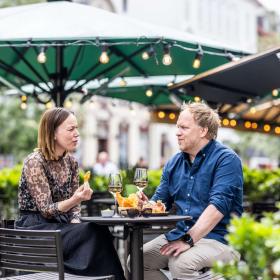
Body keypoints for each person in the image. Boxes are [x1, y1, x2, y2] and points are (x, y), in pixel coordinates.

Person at [15, 108, 125, 280]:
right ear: (52, 133)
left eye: (77, 128)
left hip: (61, 226)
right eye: (71, 129)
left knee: (97, 230)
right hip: (36, 227)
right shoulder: (34, 162)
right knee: (94, 232)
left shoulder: (71, 162)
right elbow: (46, 210)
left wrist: (75, 220)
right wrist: (76, 198)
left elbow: (74, 208)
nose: (77, 134)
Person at [137, 102, 243, 279]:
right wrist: (146, 205)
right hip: (180, 234)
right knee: (138, 260)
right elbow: (159, 203)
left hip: (220, 239)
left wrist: (188, 239)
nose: (177, 132)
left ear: (203, 131)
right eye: (177, 127)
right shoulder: (174, 163)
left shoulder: (227, 160)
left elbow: (217, 207)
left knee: (181, 263)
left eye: (184, 128)